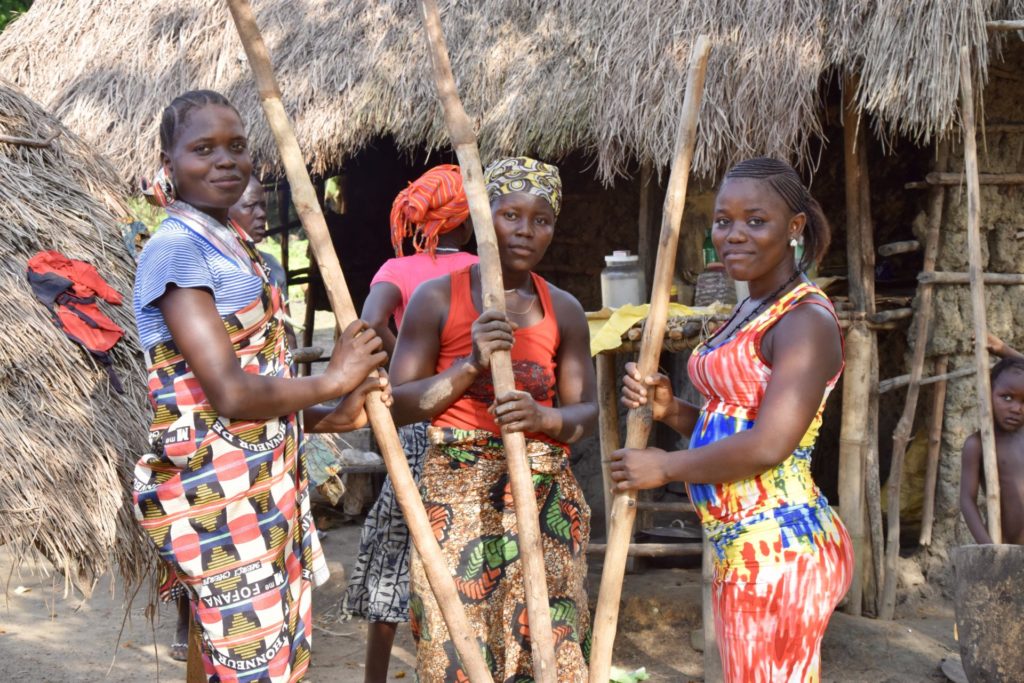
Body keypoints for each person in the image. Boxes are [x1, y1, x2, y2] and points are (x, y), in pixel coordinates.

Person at [132, 89, 389, 682]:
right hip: (215, 494)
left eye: (237, 147)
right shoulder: (176, 249)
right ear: (168, 163)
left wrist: (328, 411)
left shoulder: (234, 243)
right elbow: (228, 393)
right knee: (253, 661)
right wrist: (333, 375)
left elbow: (262, 383)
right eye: (203, 148)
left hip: (262, 480)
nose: (225, 160)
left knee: (259, 652)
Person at [611, 158, 851, 682]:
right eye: (724, 221)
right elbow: (736, 420)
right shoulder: (753, 307)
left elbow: (768, 444)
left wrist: (667, 468)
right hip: (741, 549)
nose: (734, 235)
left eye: (755, 221)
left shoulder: (804, 321)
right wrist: (671, 410)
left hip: (780, 550)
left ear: (794, 228)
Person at [389, 157, 597, 681]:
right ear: (484, 217)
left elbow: (585, 412)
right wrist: (471, 365)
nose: (526, 230)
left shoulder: (565, 309)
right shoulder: (437, 299)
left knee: (548, 639)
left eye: (542, 219)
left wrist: (543, 418)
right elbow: (399, 403)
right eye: (511, 215)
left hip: (545, 489)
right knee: (458, 639)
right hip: (456, 492)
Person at [342, 164, 476, 683]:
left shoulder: (396, 271)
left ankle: (376, 676)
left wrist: (404, 371)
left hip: (418, 421)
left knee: (395, 543)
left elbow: (368, 325)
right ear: (466, 224)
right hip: (475, 425)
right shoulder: (483, 268)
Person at [960, 351, 1024, 545]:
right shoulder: (978, 445)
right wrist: (989, 549)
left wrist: (1001, 348)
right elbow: (967, 500)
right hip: (1005, 547)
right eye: (1006, 398)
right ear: (988, 394)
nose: (1016, 408)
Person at [228, 176, 297, 349]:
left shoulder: (272, 266)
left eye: (263, 206)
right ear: (224, 211)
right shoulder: (212, 268)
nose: (262, 214)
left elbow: (286, 330)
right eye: (250, 206)